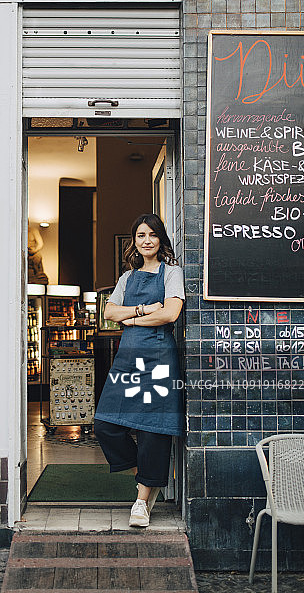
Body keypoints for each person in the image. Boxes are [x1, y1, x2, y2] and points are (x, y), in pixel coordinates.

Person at [94, 213, 185, 528]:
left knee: (152, 430)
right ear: (134, 241)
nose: (147, 240)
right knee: (106, 424)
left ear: (160, 239)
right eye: (141, 235)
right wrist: (144, 310)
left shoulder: (171, 273)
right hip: (129, 358)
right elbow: (109, 311)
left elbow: (171, 314)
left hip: (159, 357)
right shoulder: (126, 278)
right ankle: (146, 477)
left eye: (152, 234)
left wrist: (129, 319)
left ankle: (142, 502)